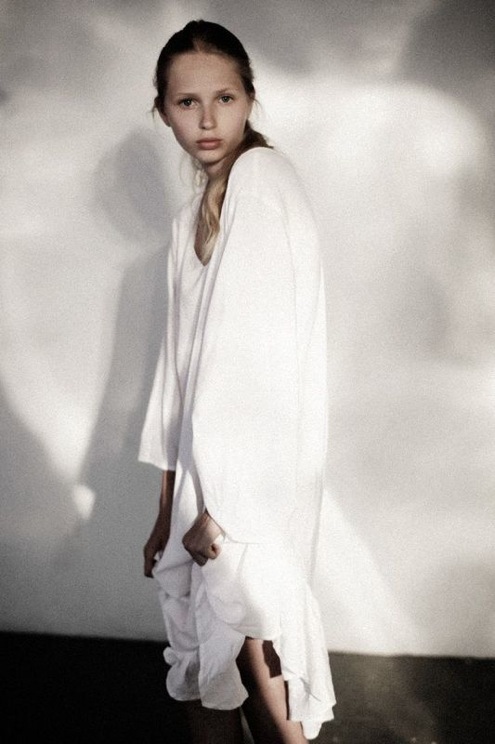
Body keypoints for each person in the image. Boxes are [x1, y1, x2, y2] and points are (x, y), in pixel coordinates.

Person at [139, 20, 336, 743]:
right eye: (186, 102)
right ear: (162, 110)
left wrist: (223, 509)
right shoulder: (189, 216)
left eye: (224, 98)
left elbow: (259, 360)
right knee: (204, 658)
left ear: (250, 98)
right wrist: (167, 505)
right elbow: (178, 372)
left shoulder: (260, 180)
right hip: (205, 477)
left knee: (252, 649)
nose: (207, 119)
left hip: (250, 478)